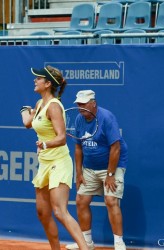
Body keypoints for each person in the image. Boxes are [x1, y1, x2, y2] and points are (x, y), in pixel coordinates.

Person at [20, 66, 89, 250]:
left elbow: (61, 137)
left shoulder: (54, 107)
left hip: (59, 162)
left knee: (59, 211)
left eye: (39, 78)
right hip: (44, 164)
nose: (35, 80)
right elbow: (28, 123)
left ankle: (85, 248)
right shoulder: (39, 103)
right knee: (43, 213)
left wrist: (44, 144)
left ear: (48, 83)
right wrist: (24, 110)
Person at [65, 90, 128, 250]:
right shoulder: (79, 119)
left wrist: (110, 174)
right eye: (78, 104)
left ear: (93, 103)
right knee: (81, 201)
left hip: (112, 166)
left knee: (111, 201)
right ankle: (87, 242)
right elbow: (78, 148)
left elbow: (116, 147)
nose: (81, 107)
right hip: (90, 168)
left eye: (84, 104)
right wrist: (78, 173)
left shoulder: (107, 118)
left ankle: (119, 243)